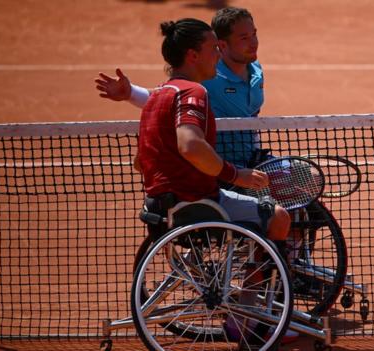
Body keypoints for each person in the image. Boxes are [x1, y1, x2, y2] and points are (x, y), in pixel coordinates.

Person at [130, 17, 298, 346]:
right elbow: (191, 145)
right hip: (199, 204)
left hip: (161, 206)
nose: (217, 57)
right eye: (212, 50)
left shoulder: (157, 98)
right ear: (193, 55)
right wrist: (237, 175)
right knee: (279, 217)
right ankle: (252, 317)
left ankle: (251, 308)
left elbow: (140, 161)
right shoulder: (194, 92)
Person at [96, 7, 264, 167]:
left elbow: (251, 116)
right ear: (223, 45)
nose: (254, 42)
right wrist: (130, 93)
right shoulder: (208, 74)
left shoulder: (255, 69)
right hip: (218, 167)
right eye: (244, 38)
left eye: (254, 34)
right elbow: (169, 97)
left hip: (249, 160)